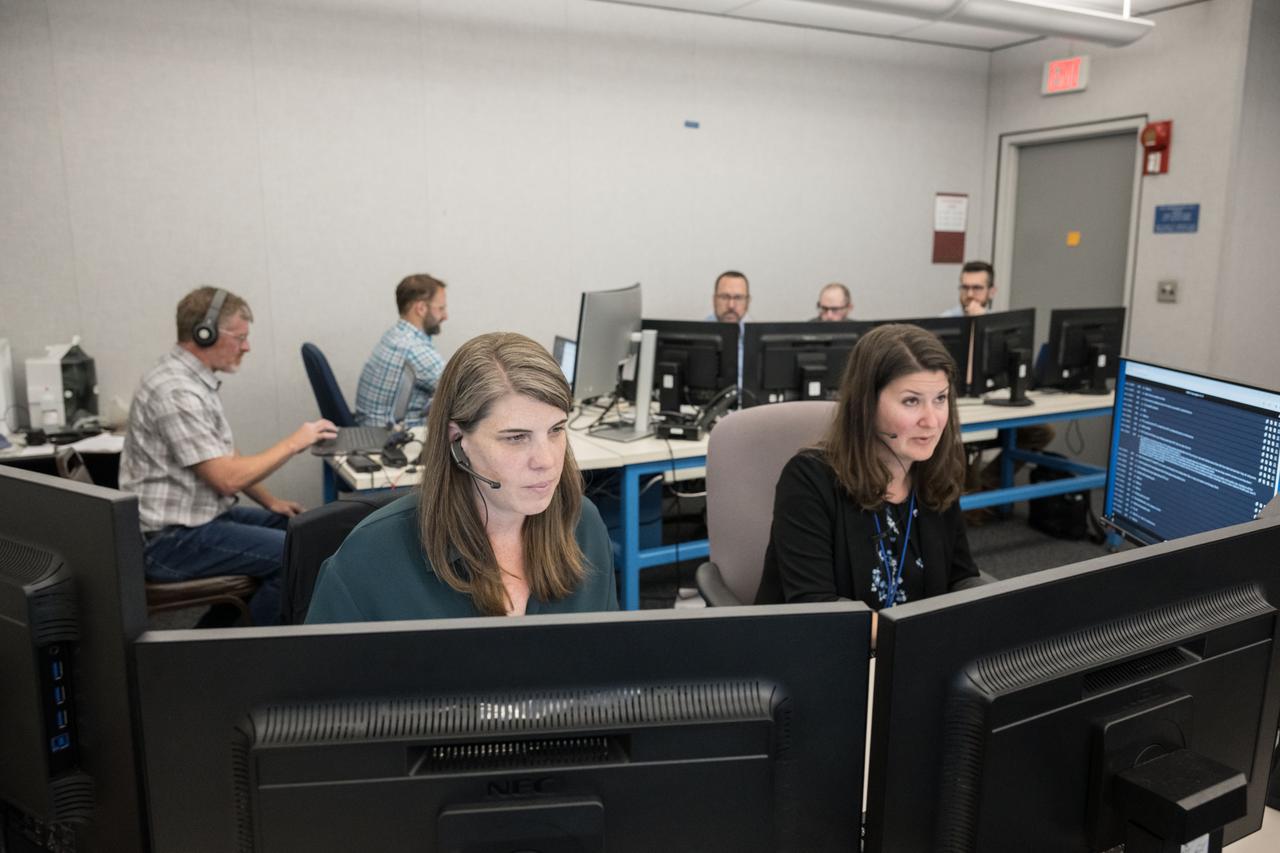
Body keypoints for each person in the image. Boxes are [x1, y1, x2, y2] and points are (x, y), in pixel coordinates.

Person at [306, 332, 619, 622]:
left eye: (556, 430)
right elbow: (316, 681)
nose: (547, 461)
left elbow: (609, 669)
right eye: (515, 438)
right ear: (458, 439)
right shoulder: (369, 558)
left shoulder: (582, 524)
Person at [120, 287, 338, 626]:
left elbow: (226, 457)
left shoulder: (191, 380)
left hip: (198, 520)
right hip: (169, 542)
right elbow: (226, 479)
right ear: (203, 335)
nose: (247, 346)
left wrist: (271, 502)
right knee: (297, 558)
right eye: (240, 337)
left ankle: (212, 638)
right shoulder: (176, 391)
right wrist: (297, 441)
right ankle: (247, 656)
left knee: (305, 532)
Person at [755, 324, 981, 643]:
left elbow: (961, 577)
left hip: (912, 656)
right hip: (825, 656)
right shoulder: (808, 479)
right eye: (911, 401)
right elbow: (817, 608)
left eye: (940, 398)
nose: (931, 421)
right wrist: (919, 637)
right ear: (867, 404)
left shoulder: (936, 474)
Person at [941, 260, 1054, 501]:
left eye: (977, 288)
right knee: (962, 455)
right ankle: (973, 504)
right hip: (956, 406)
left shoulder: (1004, 325)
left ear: (991, 291)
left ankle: (987, 492)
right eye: (964, 287)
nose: (969, 294)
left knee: (1041, 432)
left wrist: (986, 326)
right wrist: (975, 328)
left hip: (995, 403)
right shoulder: (946, 323)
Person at [354, 273, 449, 428]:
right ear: (421, 308)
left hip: (371, 425)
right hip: (387, 437)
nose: (445, 316)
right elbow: (466, 392)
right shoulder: (415, 349)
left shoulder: (395, 335)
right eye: (441, 308)